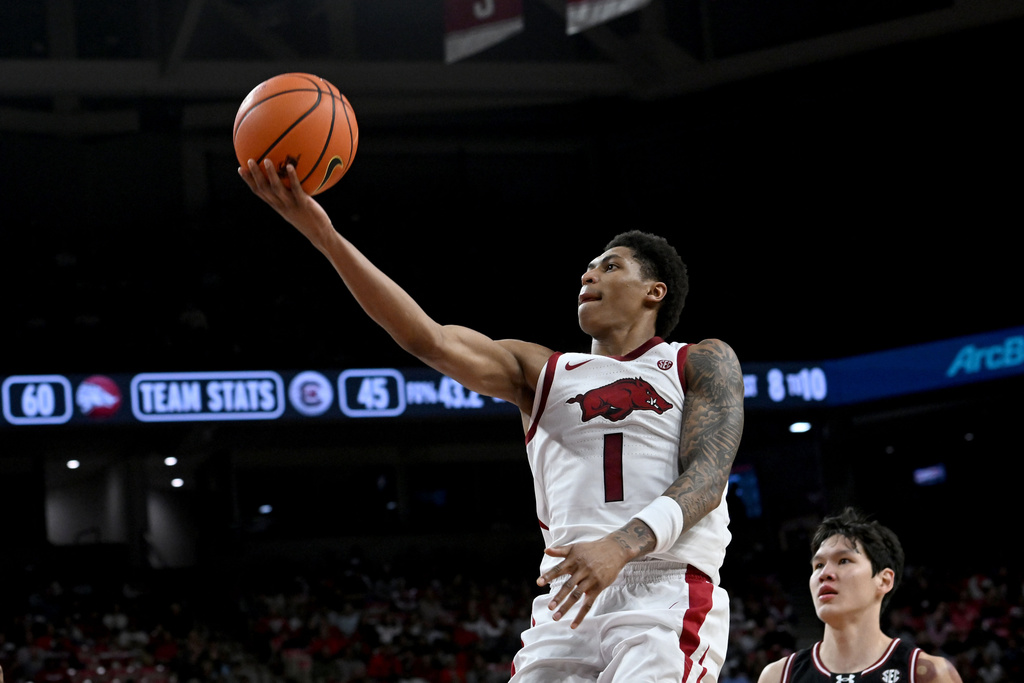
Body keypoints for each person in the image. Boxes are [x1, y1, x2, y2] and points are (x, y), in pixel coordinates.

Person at [239, 159, 745, 682]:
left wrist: (621, 545)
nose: (588, 274)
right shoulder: (544, 371)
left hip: (664, 588)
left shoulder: (698, 360)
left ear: (654, 291)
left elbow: (707, 479)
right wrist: (324, 236)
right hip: (568, 600)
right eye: (588, 267)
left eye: (610, 266)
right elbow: (428, 339)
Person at [757, 508, 963, 683]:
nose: (824, 574)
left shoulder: (926, 674)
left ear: (884, 580)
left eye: (843, 561)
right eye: (818, 565)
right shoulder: (778, 677)